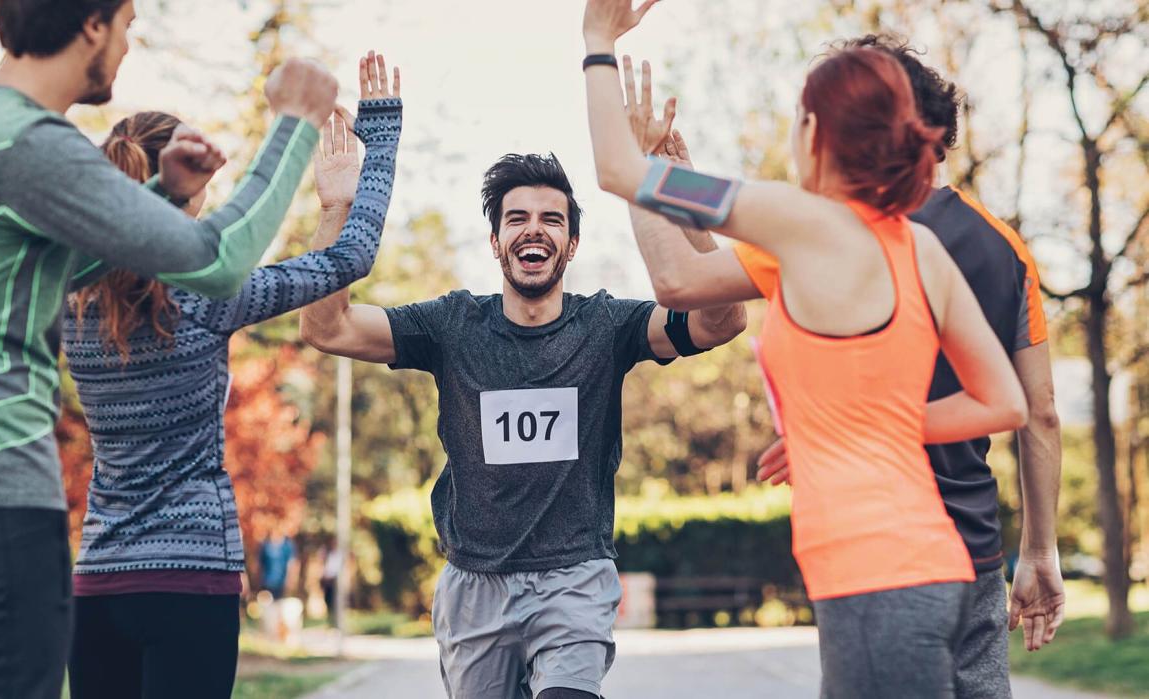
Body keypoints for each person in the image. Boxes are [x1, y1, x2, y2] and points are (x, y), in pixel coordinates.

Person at [581, 1, 1027, 696]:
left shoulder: (795, 220)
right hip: (927, 567)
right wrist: (854, 427)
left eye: (796, 118)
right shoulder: (921, 251)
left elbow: (617, 168)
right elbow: (1004, 401)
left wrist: (598, 41)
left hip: (876, 571)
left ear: (816, 131)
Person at [0, 1, 336, 695]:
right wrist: (295, 124)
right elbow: (217, 258)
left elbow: (65, 262)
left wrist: (162, 196)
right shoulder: (36, 145)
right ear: (92, 25)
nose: (132, 43)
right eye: (131, 23)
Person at [299, 148, 745, 697]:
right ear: (495, 242)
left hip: (574, 578)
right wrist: (336, 210)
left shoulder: (606, 325)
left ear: (571, 244)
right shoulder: (451, 325)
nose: (534, 230)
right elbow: (327, 328)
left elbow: (723, 319)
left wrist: (682, 195)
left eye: (551, 219)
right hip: (474, 586)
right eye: (517, 218)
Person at [62, 53, 401, 699]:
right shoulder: (208, 293)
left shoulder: (70, 300)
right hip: (192, 575)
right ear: (185, 188)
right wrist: (378, 144)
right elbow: (352, 256)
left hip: (100, 577)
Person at [749, 35, 1065, 698]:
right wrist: (1039, 550)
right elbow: (1037, 411)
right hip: (973, 545)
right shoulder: (1006, 247)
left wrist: (842, 428)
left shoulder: (833, 234)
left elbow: (684, 283)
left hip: (876, 544)